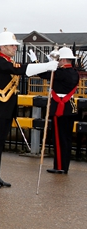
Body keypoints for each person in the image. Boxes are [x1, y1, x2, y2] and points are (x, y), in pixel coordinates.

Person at [0, 30, 57, 188]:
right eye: (11, 45)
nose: (15, 48)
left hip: (6, 110)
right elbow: (19, 69)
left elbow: (20, 71)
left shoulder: (6, 61)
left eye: (15, 45)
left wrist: (48, 68)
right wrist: (46, 65)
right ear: (2, 46)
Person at [37, 46, 79, 174]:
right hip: (70, 107)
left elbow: (42, 74)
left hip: (59, 108)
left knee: (59, 138)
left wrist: (36, 63)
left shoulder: (60, 73)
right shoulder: (74, 73)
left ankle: (59, 166)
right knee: (66, 138)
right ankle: (63, 166)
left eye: (59, 59)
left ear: (64, 59)